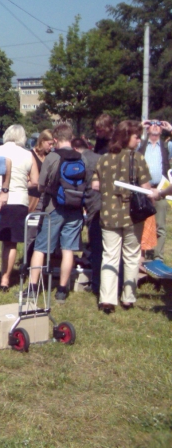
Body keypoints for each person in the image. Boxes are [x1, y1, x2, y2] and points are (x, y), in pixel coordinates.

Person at [27, 123, 96, 304]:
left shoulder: (52, 157)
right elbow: (87, 184)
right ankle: (62, 290)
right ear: (71, 138)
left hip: (54, 208)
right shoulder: (82, 158)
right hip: (75, 209)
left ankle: (33, 288)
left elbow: (41, 184)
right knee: (68, 249)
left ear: (56, 139)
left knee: (41, 248)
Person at [93, 120, 152, 313]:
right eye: (137, 136)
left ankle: (107, 300)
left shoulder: (103, 159)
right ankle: (128, 297)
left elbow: (95, 185)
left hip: (108, 214)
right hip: (132, 215)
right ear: (127, 137)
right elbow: (146, 188)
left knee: (109, 256)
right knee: (131, 256)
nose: (139, 140)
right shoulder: (138, 158)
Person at [0, 125, 38, 291]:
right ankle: (5, 280)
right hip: (19, 200)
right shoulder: (28, 154)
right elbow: (35, 181)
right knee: (10, 243)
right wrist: (21, 183)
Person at [72, 138, 102, 295]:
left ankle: (96, 284)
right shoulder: (100, 158)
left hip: (93, 206)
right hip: (107, 205)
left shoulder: (81, 161)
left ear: (75, 148)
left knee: (96, 247)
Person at [138, 120, 170, 261]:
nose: (155, 125)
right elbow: (123, 142)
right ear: (147, 129)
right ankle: (140, 257)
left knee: (160, 226)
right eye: (152, 123)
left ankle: (158, 258)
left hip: (160, 190)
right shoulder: (140, 145)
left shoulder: (166, 146)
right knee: (140, 223)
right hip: (142, 189)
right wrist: (139, 127)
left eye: (158, 124)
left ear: (162, 130)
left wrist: (171, 130)